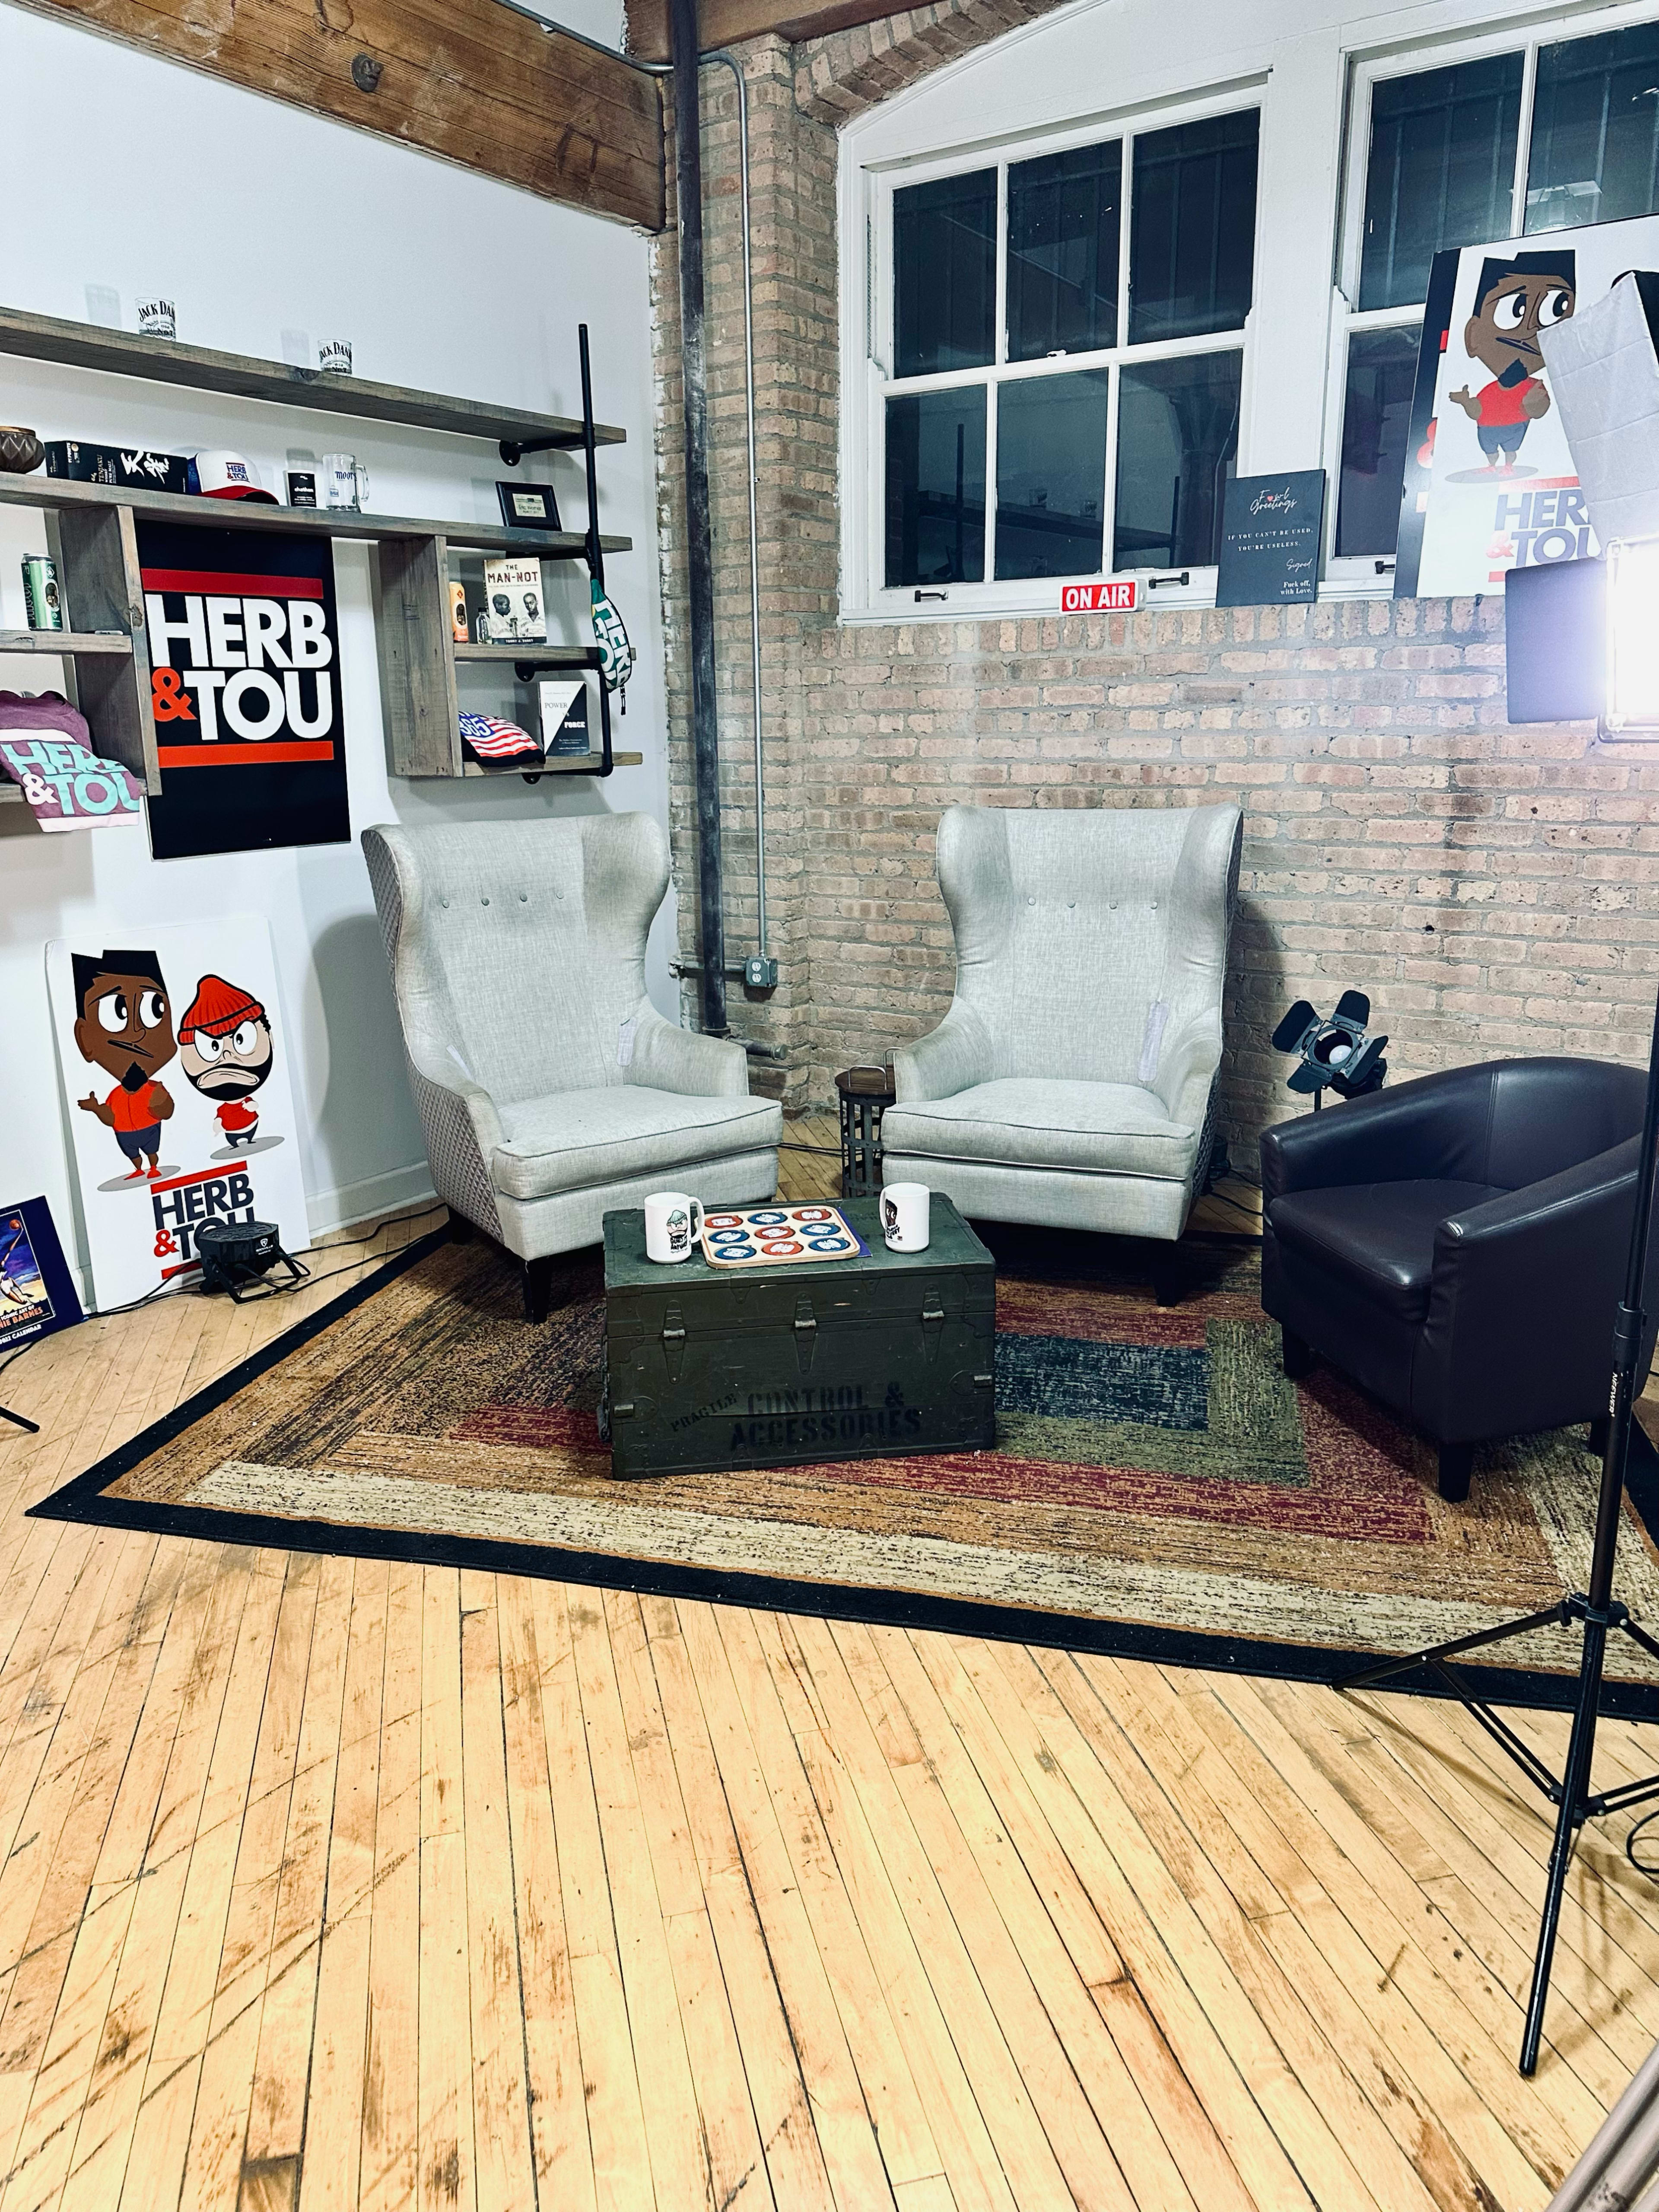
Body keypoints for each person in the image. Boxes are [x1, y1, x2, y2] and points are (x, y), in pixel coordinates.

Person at [1447, 250, 1576, 472]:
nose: (1531, 330)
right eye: (1516, 310)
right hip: (1489, 430)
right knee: (1490, 448)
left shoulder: (1533, 387)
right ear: (1474, 336)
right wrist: (1466, 401)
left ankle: (1508, 465)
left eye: (1557, 308)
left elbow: (1538, 410)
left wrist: (1535, 402)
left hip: (1514, 428)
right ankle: (1492, 465)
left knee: (1509, 449)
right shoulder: (1489, 391)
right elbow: (1478, 411)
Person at [70, 950, 177, 1180]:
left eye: (155, 1007)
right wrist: (96, 1107)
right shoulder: (115, 1096)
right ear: (85, 1039)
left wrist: (161, 1103)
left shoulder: (154, 1088)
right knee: (132, 1153)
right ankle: (139, 1169)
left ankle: (153, 1166)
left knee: (151, 1150)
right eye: (116, 1012)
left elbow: (167, 1111)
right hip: (125, 1134)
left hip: (149, 1129)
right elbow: (110, 1118)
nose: (137, 1031)